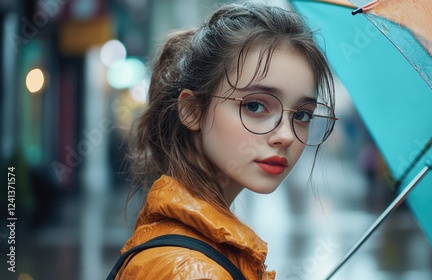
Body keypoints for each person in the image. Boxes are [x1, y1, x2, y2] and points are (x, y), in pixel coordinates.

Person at [114, 2, 336, 279]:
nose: (286, 136)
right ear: (193, 110)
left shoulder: (202, 250)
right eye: (255, 106)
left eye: (302, 115)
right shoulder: (192, 270)